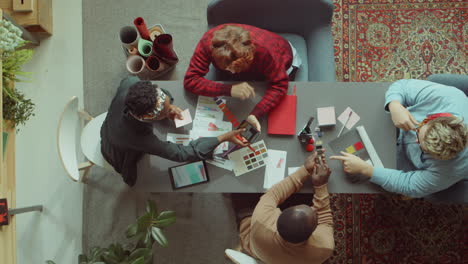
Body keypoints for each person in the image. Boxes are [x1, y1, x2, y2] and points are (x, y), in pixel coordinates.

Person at [331, 79, 468, 198]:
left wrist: (365, 169)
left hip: (403, 164)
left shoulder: (450, 170)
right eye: (420, 130)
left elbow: (409, 185)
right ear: (433, 117)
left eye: (422, 148)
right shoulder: (449, 98)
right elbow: (402, 86)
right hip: (389, 122)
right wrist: (395, 105)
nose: (415, 140)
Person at [100, 76, 247, 186]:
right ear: (148, 118)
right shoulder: (139, 138)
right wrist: (222, 137)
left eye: (168, 104)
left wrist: (168, 110)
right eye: (164, 112)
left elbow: (162, 93)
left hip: (112, 119)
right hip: (117, 148)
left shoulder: (132, 83)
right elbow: (182, 154)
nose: (171, 108)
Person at [184, 23, 301, 132]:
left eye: (235, 68)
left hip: (282, 61)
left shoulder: (267, 51)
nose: (232, 72)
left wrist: (256, 113)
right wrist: (227, 89)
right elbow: (190, 80)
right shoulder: (208, 42)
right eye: (227, 67)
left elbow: (280, 85)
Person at [235, 152, 334, 264]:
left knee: (242, 193)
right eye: (314, 212)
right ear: (313, 232)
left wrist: (305, 170)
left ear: (280, 214)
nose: (314, 209)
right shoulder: (324, 247)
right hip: (294, 258)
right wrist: (320, 186)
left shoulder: (261, 220)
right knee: (306, 194)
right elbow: (325, 220)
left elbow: (273, 194)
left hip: (258, 246)